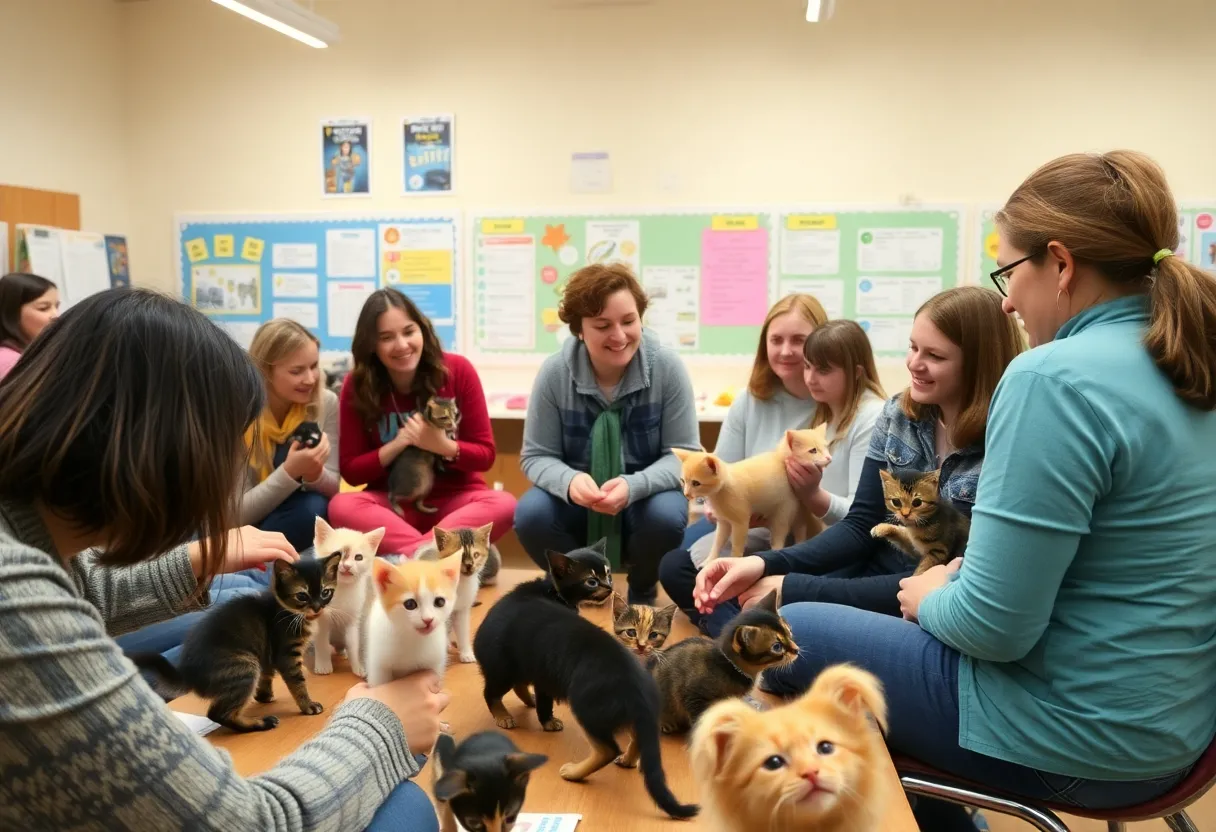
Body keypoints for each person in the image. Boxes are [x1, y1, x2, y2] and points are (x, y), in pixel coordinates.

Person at [704, 151, 1216, 832]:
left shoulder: (1051, 380)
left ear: (1060, 265)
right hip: (1176, 736)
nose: (1007, 298)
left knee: (774, 635)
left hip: (1078, 740)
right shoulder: (1187, 360)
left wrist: (930, 597)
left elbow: (993, 628)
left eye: (1011, 272)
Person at [0, 288, 447, 831]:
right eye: (225, 443)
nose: (230, 461)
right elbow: (247, 824)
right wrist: (379, 727)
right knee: (406, 807)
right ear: (163, 446)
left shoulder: (23, 545)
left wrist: (191, 558)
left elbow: (73, 589)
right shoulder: (15, 601)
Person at [687, 287, 1023, 637]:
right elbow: (860, 525)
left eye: (935, 355)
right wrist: (763, 563)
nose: (913, 364)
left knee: (788, 635)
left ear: (978, 364)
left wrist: (792, 586)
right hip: (870, 571)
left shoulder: (1008, 443)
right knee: (747, 606)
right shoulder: (898, 414)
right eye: (912, 347)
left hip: (927, 604)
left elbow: (951, 576)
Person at [659, 318, 888, 619]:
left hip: (836, 546)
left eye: (823, 369)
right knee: (681, 566)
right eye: (809, 366)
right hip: (799, 532)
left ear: (856, 373)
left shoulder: (870, 417)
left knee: (698, 572)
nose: (810, 378)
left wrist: (810, 495)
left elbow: (862, 520)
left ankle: (742, 632)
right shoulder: (827, 412)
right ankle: (739, 630)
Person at [514, 263, 700, 604]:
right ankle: (576, 586)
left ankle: (643, 587)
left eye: (629, 321)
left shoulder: (667, 368)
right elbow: (536, 456)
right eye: (603, 325)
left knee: (665, 516)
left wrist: (634, 485)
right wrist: (569, 481)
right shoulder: (555, 374)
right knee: (531, 514)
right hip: (578, 500)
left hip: (643, 499)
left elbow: (685, 456)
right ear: (580, 331)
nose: (619, 336)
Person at [329, 288, 515, 557]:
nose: (402, 345)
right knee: (341, 506)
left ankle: (412, 557)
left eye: (408, 331)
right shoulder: (356, 386)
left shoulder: (458, 371)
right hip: (395, 509)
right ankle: (445, 553)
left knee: (505, 504)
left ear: (422, 330)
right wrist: (398, 443)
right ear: (371, 345)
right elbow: (353, 471)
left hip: (457, 503)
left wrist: (441, 445)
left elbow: (485, 455)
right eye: (386, 337)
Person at [678, 293, 826, 554]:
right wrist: (719, 505)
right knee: (677, 558)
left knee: (688, 567)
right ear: (764, 344)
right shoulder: (749, 399)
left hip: (798, 522)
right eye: (776, 340)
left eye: (799, 340)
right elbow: (721, 469)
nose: (785, 351)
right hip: (743, 513)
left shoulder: (833, 403)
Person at [240, 318, 339, 552]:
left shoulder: (326, 402)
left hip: (296, 519)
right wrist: (290, 472)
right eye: (297, 371)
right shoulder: (237, 412)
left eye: (314, 366)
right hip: (243, 527)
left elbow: (335, 489)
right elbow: (235, 515)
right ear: (265, 372)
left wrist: (316, 474)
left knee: (314, 509)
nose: (311, 379)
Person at [0, 271, 59, 380]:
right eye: (43, 308)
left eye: (56, 306)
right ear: (12, 313)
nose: (56, 316)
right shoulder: (8, 361)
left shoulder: (35, 352)